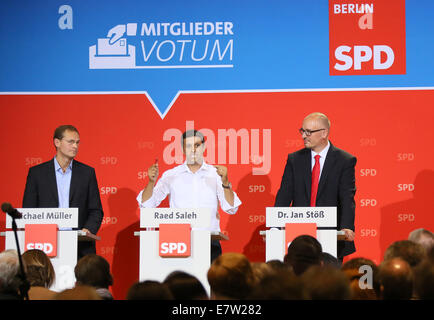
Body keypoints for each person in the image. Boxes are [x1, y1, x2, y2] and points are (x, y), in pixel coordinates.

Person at [137, 129, 242, 262]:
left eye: (197, 145)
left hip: (209, 242)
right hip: (179, 242)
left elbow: (231, 208)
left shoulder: (215, 174)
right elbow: (147, 205)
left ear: (203, 147)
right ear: (182, 149)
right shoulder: (171, 175)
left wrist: (225, 183)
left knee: (210, 283)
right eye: (188, 146)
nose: (193, 150)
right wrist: (151, 183)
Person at [274, 112, 357, 262]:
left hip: (331, 233)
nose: (303, 136)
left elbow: (347, 197)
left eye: (309, 132)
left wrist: (347, 227)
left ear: (324, 133)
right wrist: (275, 226)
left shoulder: (345, 160)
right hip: (298, 233)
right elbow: (284, 194)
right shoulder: (295, 159)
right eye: (302, 131)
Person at [22, 125, 104, 258]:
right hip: (45, 244)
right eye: (70, 142)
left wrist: (87, 231)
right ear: (57, 142)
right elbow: (29, 211)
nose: (75, 146)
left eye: (77, 142)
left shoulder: (87, 173)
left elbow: (96, 210)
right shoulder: (37, 173)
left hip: (79, 245)